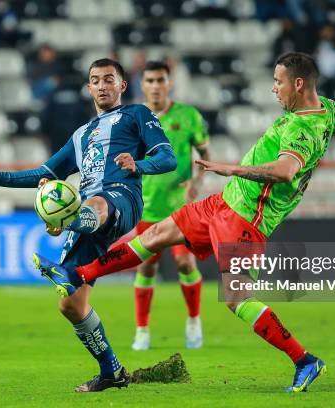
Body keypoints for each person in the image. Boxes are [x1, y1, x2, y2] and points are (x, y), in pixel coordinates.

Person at [39, 52, 335, 393]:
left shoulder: (304, 126)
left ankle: (304, 361)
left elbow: (286, 171)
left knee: (236, 298)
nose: (274, 89)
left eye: (279, 82)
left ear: (298, 84)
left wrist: (234, 170)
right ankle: (77, 275)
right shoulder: (330, 110)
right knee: (156, 234)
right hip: (223, 204)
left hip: (247, 217)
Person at [0, 58, 177, 392]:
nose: (102, 85)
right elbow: (43, 174)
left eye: (109, 79)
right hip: (88, 214)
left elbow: (168, 158)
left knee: (96, 203)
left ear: (122, 86)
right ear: (89, 88)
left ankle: (69, 220)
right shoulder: (80, 135)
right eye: (96, 80)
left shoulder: (137, 114)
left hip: (121, 199)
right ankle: (112, 371)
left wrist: (138, 163)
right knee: (71, 305)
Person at [126, 60, 210, 351]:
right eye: (149, 81)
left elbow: (204, 155)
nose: (155, 86)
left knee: (185, 262)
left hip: (180, 209)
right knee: (147, 267)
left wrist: (196, 183)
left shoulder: (188, 116)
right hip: (147, 207)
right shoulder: (132, 117)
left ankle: (194, 320)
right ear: (142, 84)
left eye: (161, 80)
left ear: (169, 83)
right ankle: (142, 330)